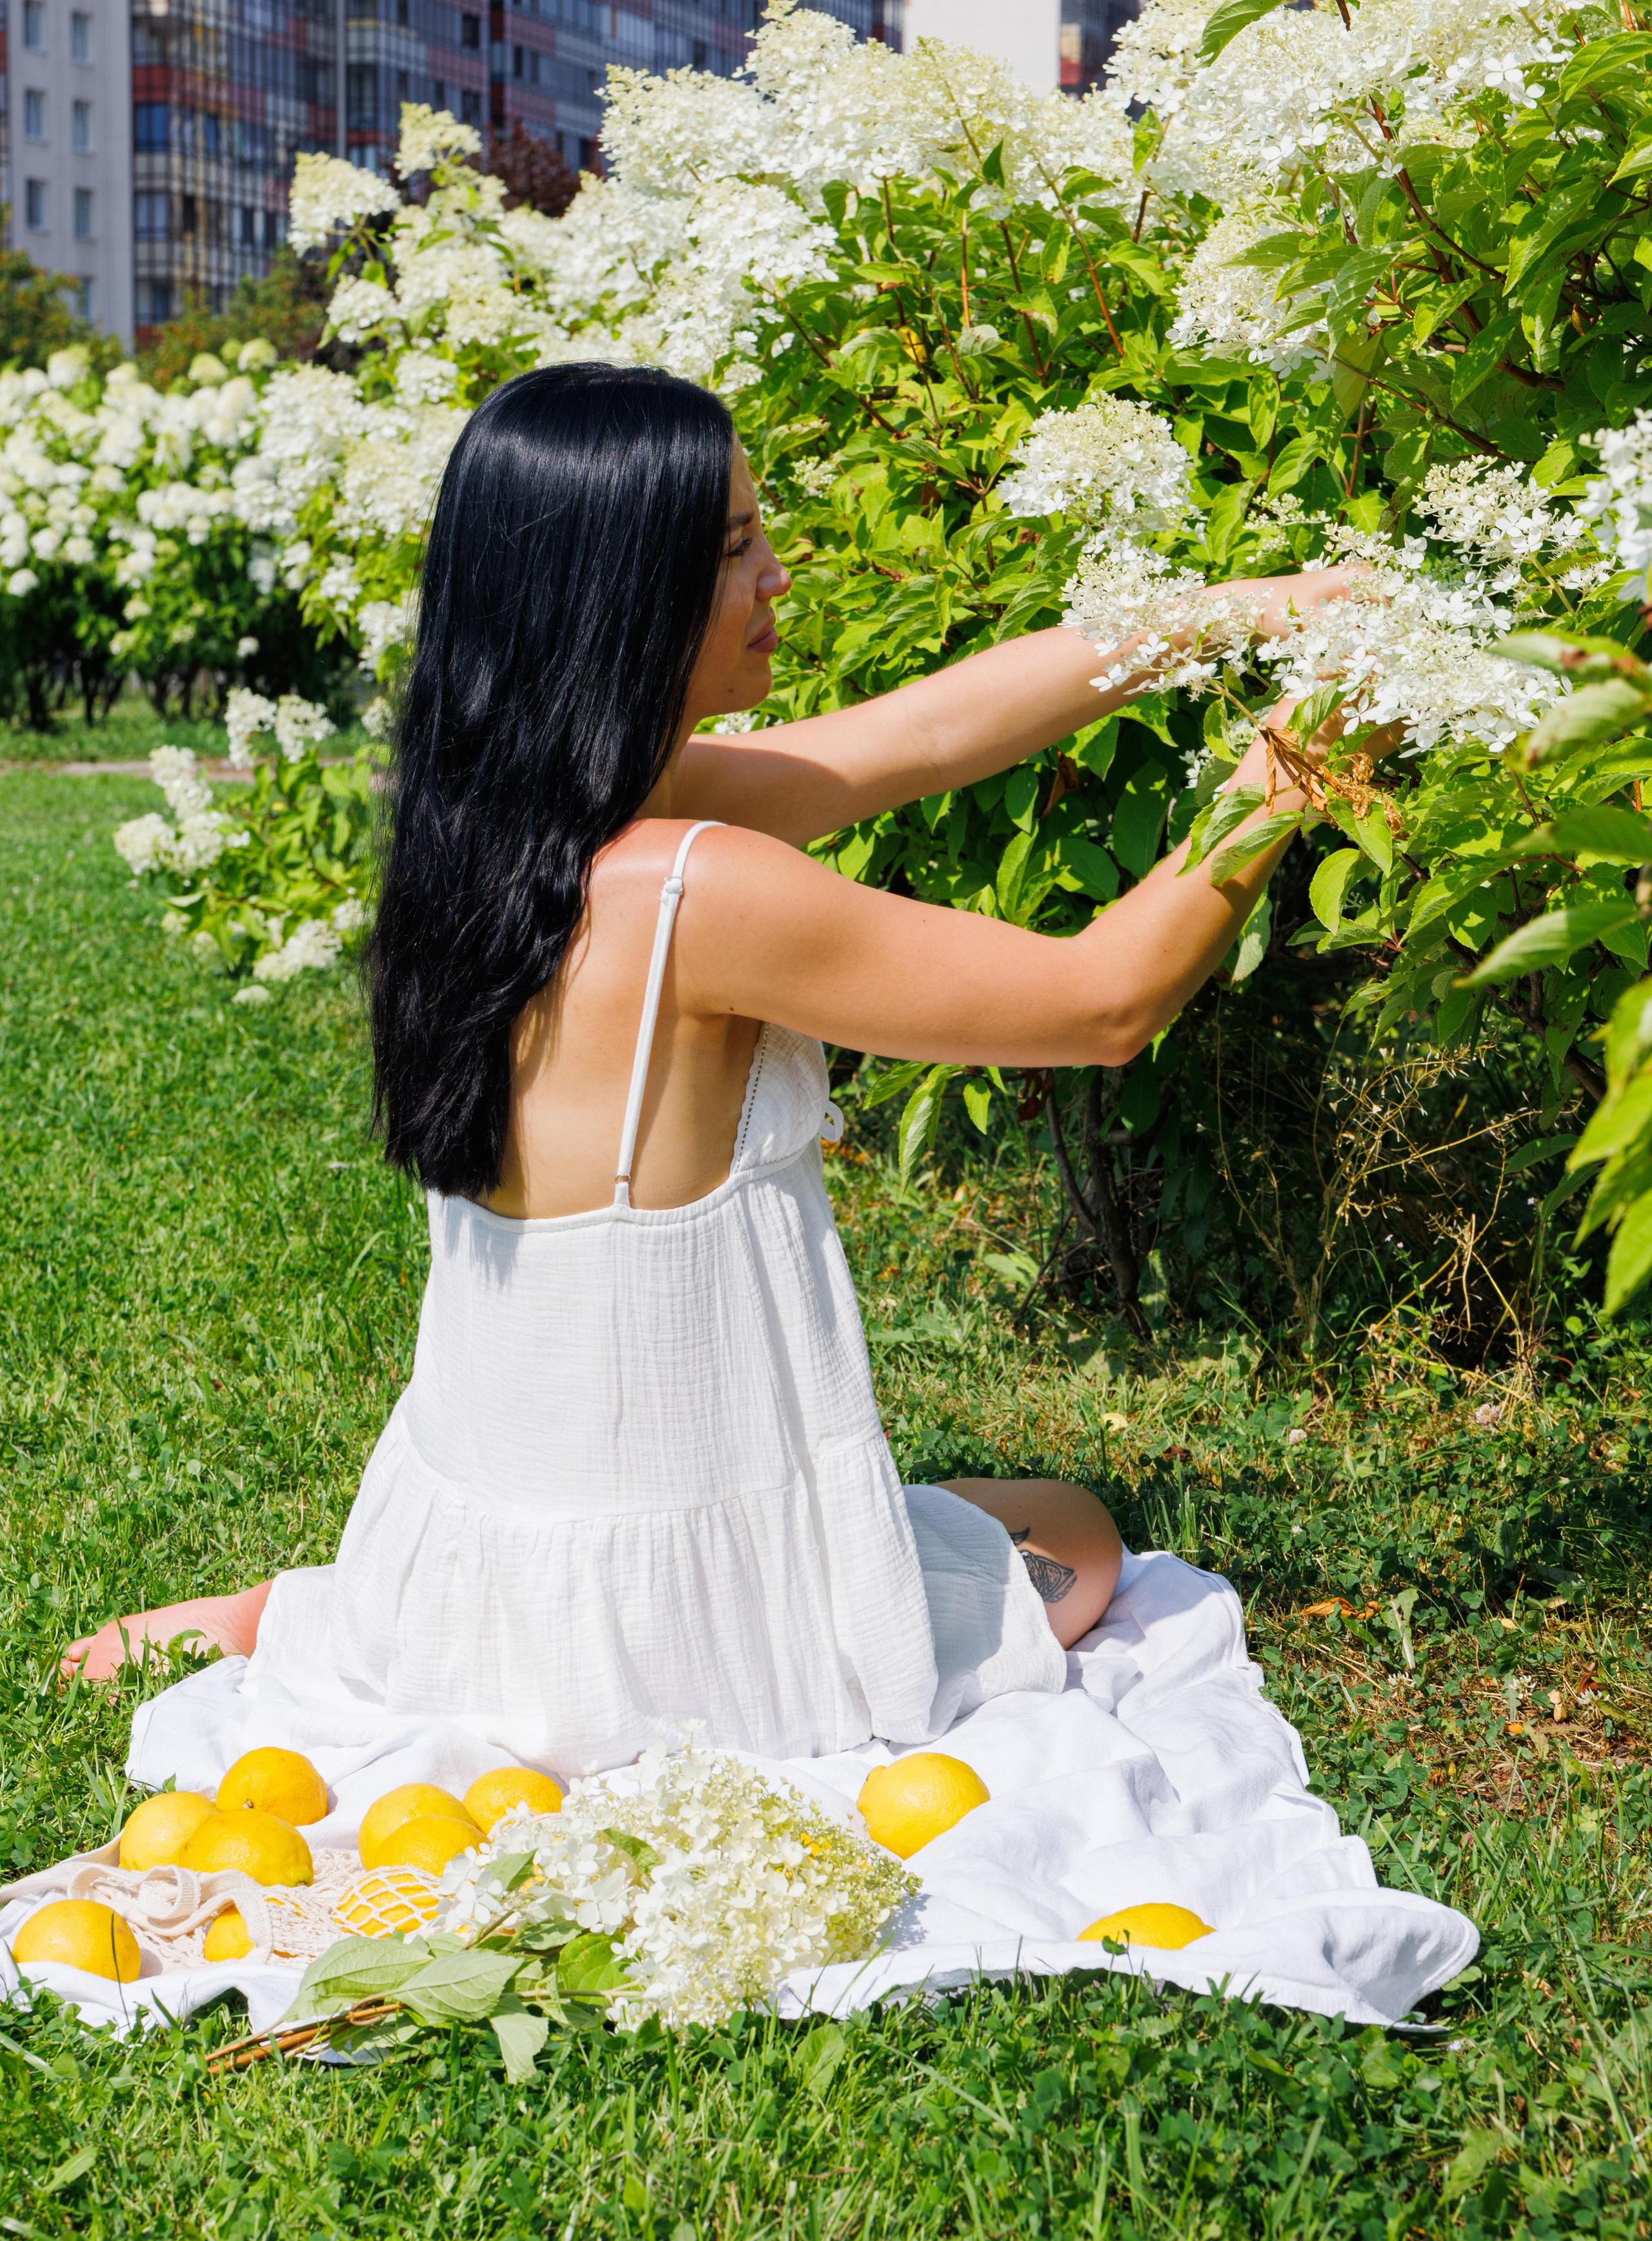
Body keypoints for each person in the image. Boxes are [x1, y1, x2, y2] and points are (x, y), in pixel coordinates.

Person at [65, 363, 1350, 1776]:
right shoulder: (695, 890)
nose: (778, 574)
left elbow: (915, 738)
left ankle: (290, 1620)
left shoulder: (497, 828)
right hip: (671, 1638)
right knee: (1072, 1527)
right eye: (735, 547)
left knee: (991, 1512)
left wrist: (1238, 614)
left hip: (467, 1567)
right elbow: (1102, 1000)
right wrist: (1293, 764)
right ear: (625, 593)